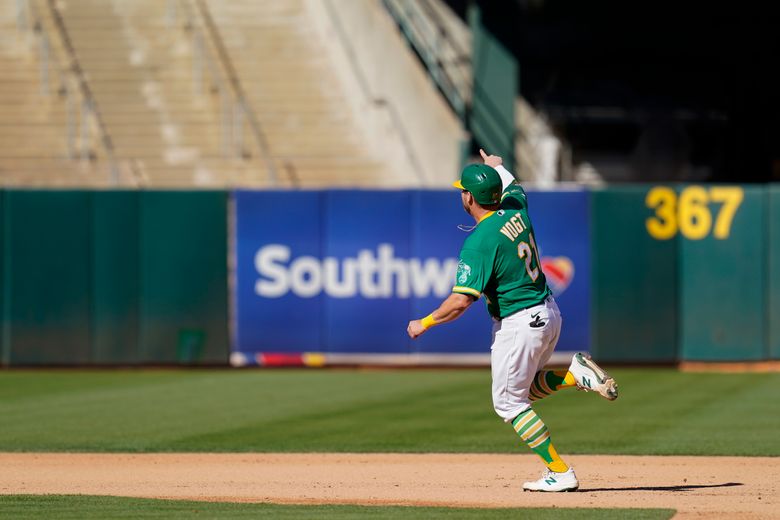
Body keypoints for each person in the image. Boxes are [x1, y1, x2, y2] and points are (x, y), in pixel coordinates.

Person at [407, 149, 618, 492]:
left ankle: (560, 471)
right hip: (549, 313)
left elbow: (461, 301)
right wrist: (498, 167)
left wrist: (425, 322)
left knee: (508, 403)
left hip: (519, 323)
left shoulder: (479, 242)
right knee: (525, 391)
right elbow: (514, 186)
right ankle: (572, 374)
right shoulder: (516, 210)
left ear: (470, 198)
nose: (461, 194)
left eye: (464, 190)